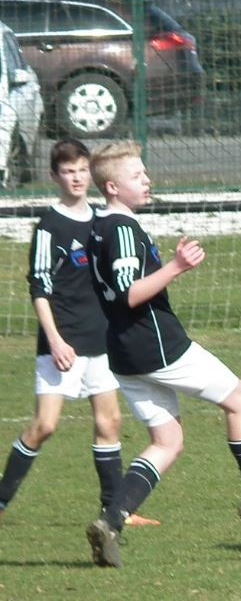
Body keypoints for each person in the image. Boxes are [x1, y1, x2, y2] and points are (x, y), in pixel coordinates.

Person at [83, 140, 241, 568]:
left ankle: (111, 520)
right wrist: (177, 266)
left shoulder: (99, 225)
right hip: (156, 345)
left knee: (167, 442)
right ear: (112, 187)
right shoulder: (122, 229)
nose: (146, 180)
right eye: (136, 175)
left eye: (144, 172)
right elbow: (129, 293)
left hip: (124, 352)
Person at [0, 139, 158, 528]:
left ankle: (114, 511)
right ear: (54, 176)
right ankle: (1, 500)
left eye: (82, 170)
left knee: (110, 422)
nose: (76, 178)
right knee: (45, 426)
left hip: (101, 340)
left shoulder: (103, 221)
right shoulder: (49, 227)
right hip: (63, 343)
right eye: (68, 172)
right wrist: (54, 340)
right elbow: (40, 288)